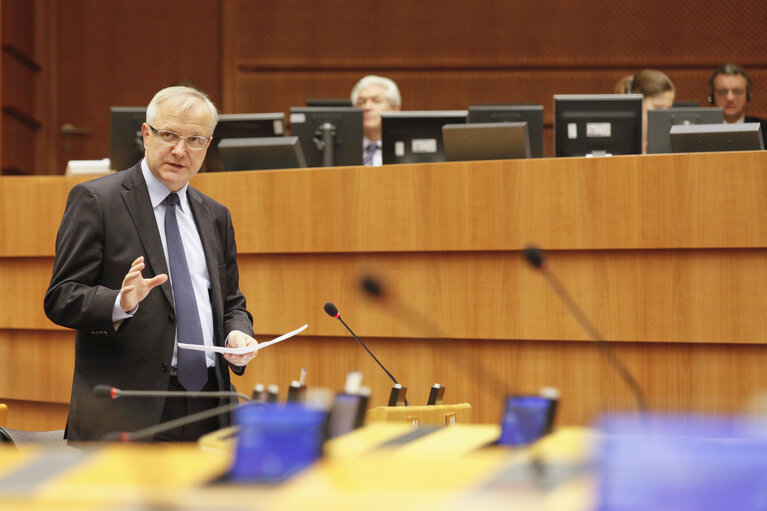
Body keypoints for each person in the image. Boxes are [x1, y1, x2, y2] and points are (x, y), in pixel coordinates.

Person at [44, 86, 258, 442]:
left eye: (194, 139)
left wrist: (237, 332)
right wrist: (119, 303)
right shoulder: (97, 200)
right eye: (169, 134)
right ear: (146, 134)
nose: (180, 150)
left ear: (207, 146)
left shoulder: (215, 215)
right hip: (127, 410)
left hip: (209, 404)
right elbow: (61, 297)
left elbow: (231, 301)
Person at [615, 69, 676, 153]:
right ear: (636, 105)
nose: (664, 116)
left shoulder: (670, 143)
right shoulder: (617, 141)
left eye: (668, 109)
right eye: (658, 108)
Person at [708, 63, 767, 146]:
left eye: (737, 91)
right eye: (722, 92)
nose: (730, 98)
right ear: (712, 96)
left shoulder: (764, 130)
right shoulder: (697, 132)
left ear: (748, 95)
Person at [350, 75, 401, 166]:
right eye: (361, 102)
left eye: (376, 101)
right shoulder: (341, 149)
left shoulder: (404, 151)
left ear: (395, 110)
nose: (367, 107)